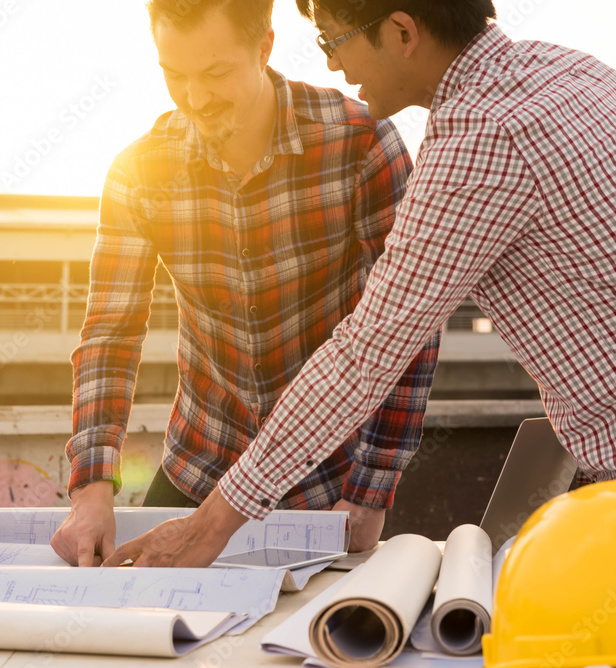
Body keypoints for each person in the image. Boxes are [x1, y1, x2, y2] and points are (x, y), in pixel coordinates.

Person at [104, 0, 616, 567]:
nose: (333, 66)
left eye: (333, 41)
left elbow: (367, 354)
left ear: (401, 32)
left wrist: (214, 525)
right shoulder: (575, 71)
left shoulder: (480, 141)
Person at [50, 0, 442, 567]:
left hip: (328, 481)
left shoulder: (362, 144)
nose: (196, 98)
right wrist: (91, 487)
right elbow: (110, 335)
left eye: (214, 73)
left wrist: (371, 490)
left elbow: (409, 329)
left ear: (264, 47)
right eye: (174, 75)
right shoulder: (138, 172)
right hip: (200, 468)